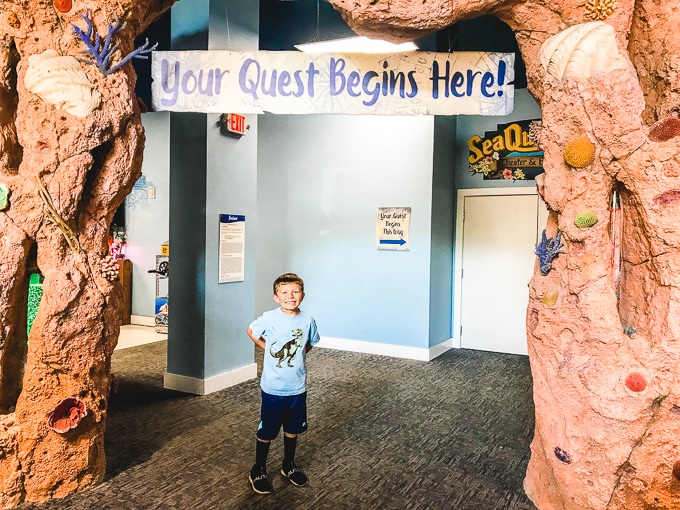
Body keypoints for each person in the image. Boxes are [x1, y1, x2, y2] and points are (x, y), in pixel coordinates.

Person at [246, 273, 320, 494]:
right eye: (284, 292)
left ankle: (288, 464)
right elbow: (251, 331)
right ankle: (258, 469)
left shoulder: (307, 321)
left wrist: (298, 355)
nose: (290, 296)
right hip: (274, 389)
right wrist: (267, 349)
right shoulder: (269, 318)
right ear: (276, 296)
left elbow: (310, 343)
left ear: (303, 295)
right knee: (267, 431)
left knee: (292, 429)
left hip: (297, 388)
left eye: (295, 292)